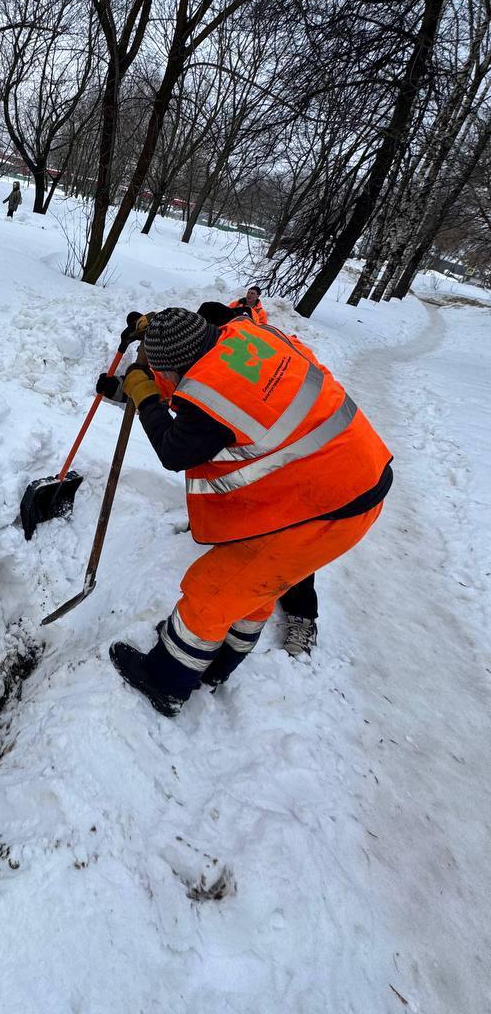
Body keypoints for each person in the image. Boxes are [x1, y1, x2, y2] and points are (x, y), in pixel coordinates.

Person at [97, 307, 392, 718]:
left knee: (212, 592)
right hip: (348, 476)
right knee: (253, 591)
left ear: (176, 369)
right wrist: (154, 342)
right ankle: (214, 663)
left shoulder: (210, 399)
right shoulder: (246, 335)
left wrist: (144, 395)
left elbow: (174, 449)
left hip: (329, 508)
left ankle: (166, 681)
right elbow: (202, 387)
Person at [197, 301, 319, 654]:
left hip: (307, 453)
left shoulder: (251, 351)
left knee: (293, 540)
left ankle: (302, 617)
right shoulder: (247, 341)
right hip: (283, 445)